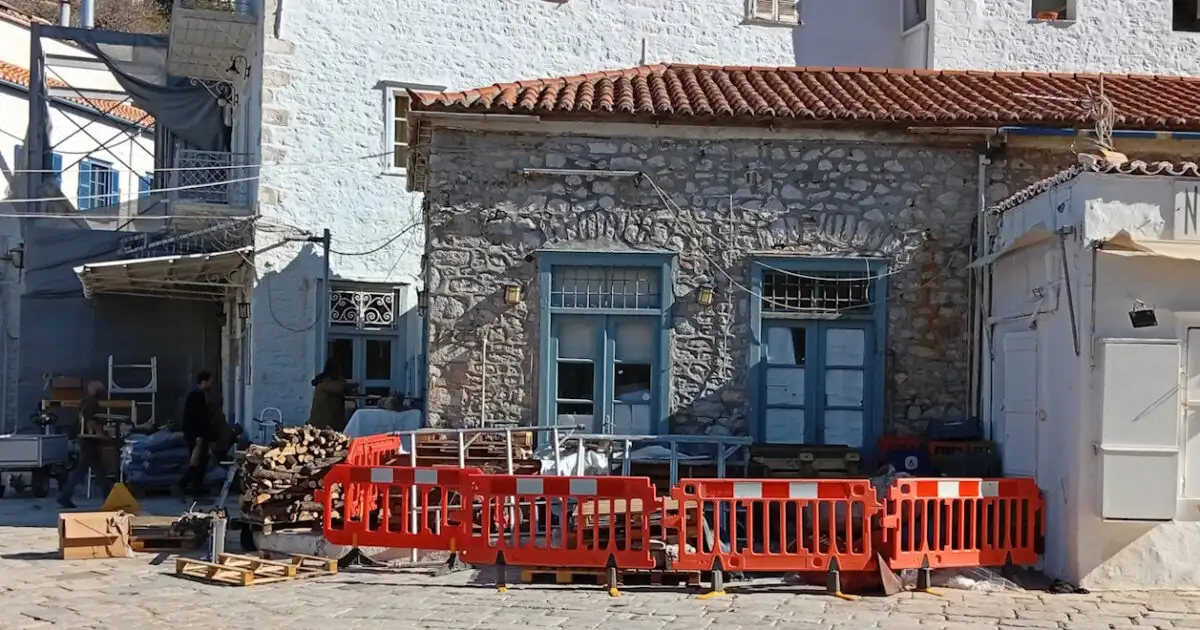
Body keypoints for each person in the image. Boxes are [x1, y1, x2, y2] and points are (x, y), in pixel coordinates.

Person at [58, 381, 111, 509]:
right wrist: (98, 433)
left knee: (99, 471)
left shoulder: (89, 401)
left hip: (90, 440)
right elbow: (90, 419)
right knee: (82, 471)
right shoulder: (90, 402)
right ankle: (64, 496)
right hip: (89, 441)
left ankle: (109, 497)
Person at [176, 370, 214, 496]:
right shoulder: (196, 396)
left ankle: (197, 486)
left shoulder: (199, 395)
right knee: (197, 461)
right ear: (203, 382)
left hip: (198, 433)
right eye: (210, 382)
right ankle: (182, 484)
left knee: (202, 461)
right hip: (196, 434)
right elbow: (197, 417)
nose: (211, 385)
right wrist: (198, 436)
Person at [307, 359, 354, 432]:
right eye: (338, 369)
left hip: (331, 419)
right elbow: (340, 388)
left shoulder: (332, 380)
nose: (340, 371)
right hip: (323, 422)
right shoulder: (325, 381)